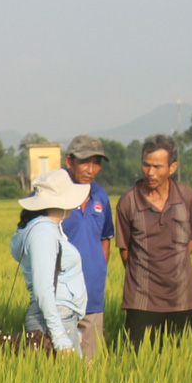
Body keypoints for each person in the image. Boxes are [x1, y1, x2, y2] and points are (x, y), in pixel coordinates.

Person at [114, 133, 192, 348]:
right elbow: (125, 250)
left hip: (183, 298)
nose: (150, 173)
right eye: (146, 165)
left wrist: (173, 265)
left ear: (172, 167)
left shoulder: (187, 197)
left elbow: (190, 241)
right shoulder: (128, 201)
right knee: (137, 362)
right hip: (142, 299)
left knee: (182, 362)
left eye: (157, 167)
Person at [10, 168, 89, 355]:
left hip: (60, 317)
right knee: (66, 382)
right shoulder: (43, 233)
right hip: (54, 319)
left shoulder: (50, 229)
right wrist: (59, 333)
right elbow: (43, 288)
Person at [58, 135, 115, 360]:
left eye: (96, 163)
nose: (90, 169)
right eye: (84, 162)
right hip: (60, 297)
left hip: (92, 296)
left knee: (93, 367)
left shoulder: (100, 195)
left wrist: (99, 269)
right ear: (69, 161)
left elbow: (105, 238)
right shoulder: (52, 195)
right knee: (60, 365)